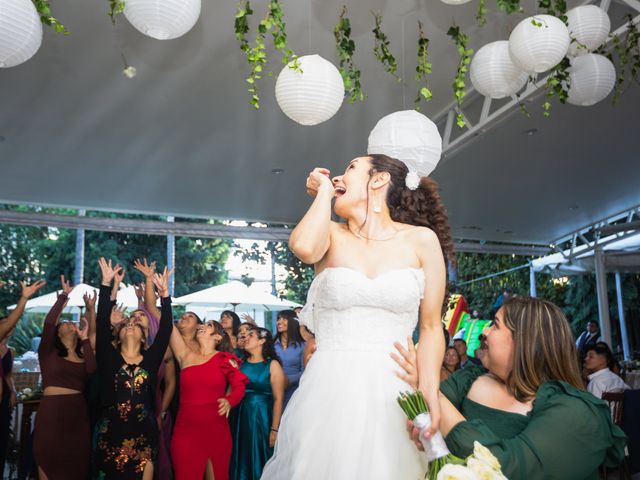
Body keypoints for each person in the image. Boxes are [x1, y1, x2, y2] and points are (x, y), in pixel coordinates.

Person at [263, 153, 453, 479]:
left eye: (350, 169)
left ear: (378, 179)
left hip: (397, 389)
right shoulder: (331, 235)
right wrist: (324, 192)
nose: (339, 177)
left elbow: (432, 327)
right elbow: (304, 247)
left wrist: (428, 390)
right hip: (329, 389)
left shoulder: (422, 241)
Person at [402, 297, 626, 479]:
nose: (485, 332)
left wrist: (430, 389)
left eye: (495, 325)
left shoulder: (579, 413)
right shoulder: (469, 378)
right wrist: (425, 430)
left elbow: (506, 470)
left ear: (527, 343)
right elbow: (424, 415)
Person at [93, 258, 173, 479]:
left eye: (135, 324)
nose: (130, 325)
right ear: (118, 335)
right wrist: (106, 284)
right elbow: (101, 322)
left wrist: (165, 296)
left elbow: (166, 329)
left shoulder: (151, 360)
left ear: (143, 335)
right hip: (110, 435)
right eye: (126, 324)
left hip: (144, 434)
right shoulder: (108, 358)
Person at [33, 276, 96, 480]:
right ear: (58, 332)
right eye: (66, 322)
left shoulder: (82, 353)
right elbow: (50, 322)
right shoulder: (47, 353)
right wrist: (63, 297)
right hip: (52, 412)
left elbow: (92, 370)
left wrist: (85, 339)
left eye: (72, 322)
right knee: (48, 458)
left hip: (77, 415)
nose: (70, 324)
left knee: (76, 464)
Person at [170, 319, 248, 480]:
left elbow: (239, 387)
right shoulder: (185, 355)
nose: (201, 327)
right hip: (185, 431)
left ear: (218, 337)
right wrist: (163, 298)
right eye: (202, 324)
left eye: (208, 325)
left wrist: (229, 400)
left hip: (215, 430)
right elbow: (166, 324)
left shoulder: (225, 359)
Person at [231, 327, 285, 480]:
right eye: (244, 334)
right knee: (241, 454)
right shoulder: (240, 363)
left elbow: (278, 399)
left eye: (251, 335)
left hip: (262, 418)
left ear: (262, 341)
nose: (245, 337)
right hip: (240, 416)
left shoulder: (272, 365)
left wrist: (274, 429)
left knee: (260, 455)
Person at [273, 310, 305, 409]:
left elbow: (306, 372)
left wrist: (288, 380)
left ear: (293, 321)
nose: (279, 322)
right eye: (278, 319)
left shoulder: (303, 346)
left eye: (284, 319)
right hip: (272, 392)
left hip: (294, 393)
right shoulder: (271, 345)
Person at [0, 333, 16, 478]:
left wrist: (13, 392)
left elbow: (8, 375)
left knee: (3, 432)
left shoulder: (10, 351)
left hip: (5, 394)